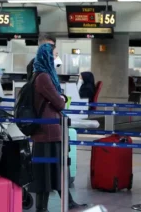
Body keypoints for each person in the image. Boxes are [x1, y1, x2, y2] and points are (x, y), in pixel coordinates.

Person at [29, 43, 86, 212]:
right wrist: (61, 98)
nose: (57, 58)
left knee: (55, 169)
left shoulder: (40, 75)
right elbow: (60, 103)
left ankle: (66, 202)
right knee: (46, 171)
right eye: (55, 54)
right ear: (47, 56)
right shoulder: (43, 77)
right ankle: (42, 207)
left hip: (49, 130)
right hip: (47, 131)